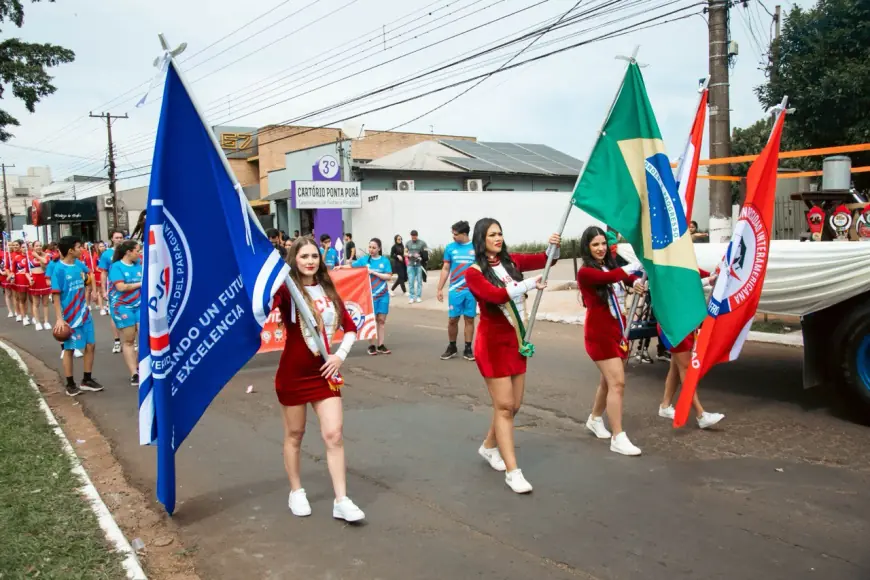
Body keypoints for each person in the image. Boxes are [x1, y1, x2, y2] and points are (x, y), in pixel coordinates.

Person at [271, 237, 365, 522]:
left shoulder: (327, 288)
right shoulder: (288, 291)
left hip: (325, 373)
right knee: (294, 435)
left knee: (334, 435)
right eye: (303, 257)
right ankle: (296, 491)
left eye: (314, 255)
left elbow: (350, 327)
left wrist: (340, 356)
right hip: (293, 374)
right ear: (294, 260)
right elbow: (264, 301)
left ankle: (341, 499)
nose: (310, 261)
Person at [464, 218, 560, 493]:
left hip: (516, 342)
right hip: (492, 345)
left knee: (513, 406)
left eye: (500, 233)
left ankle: (488, 446)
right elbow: (494, 296)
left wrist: (554, 246)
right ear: (480, 239)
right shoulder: (473, 272)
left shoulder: (512, 262)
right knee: (504, 406)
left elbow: (547, 259)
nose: (498, 238)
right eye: (492, 234)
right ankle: (513, 471)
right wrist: (528, 285)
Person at [577, 226, 645, 456]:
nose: (600, 248)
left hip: (618, 330)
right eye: (595, 244)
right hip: (599, 334)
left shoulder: (611, 265)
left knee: (608, 382)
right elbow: (608, 278)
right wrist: (634, 266)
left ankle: (595, 419)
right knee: (618, 383)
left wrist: (635, 281)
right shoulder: (586, 272)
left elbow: (622, 278)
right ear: (587, 247)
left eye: (603, 244)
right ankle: (618, 436)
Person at [656, 271, 725, 429]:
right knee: (686, 368)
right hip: (673, 323)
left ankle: (665, 406)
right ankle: (700, 414)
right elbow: (680, 287)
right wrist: (708, 280)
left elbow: (700, 273)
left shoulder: (686, 261)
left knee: (676, 366)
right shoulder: (665, 264)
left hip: (686, 322)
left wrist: (718, 271)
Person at [51, 236, 104, 397]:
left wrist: (94, 290)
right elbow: (56, 296)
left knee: (91, 345)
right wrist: (60, 319)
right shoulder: (58, 270)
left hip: (84, 312)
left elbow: (90, 276)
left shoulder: (79, 264)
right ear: (70, 250)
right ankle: (70, 383)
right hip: (69, 316)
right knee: (70, 349)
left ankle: (86, 379)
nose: (81, 249)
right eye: (79, 247)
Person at [436, 220, 476, 361]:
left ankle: (468, 348)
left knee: (469, 319)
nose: (453, 236)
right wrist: (439, 288)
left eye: (455, 234)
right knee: (453, 319)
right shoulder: (450, 248)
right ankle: (452, 346)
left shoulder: (476, 247)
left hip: (472, 291)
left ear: (464, 234)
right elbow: (446, 268)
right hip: (455, 290)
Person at [344, 238, 392, 355]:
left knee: (381, 320)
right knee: (372, 320)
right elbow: (351, 268)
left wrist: (374, 273)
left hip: (383, 295)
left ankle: (381, 345)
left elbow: (388, 276)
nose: (371, 250)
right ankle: (371, 345)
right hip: (370, 296)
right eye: (370, 247)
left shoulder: (384, 261)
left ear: (379, 249)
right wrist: (340, 267)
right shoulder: (364, 260)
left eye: (374, 248)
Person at [109, 241, 143, 386]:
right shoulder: (116, 267)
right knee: (129, 339)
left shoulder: (139, 264)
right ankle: (134, 373)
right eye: (136, 250)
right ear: (128, 252)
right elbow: (121, 287)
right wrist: (141, 283)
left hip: (140, 305)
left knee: (144, 337)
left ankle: (142, 367)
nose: (139, 253)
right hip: (122, 306)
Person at [99, 230, 125, 354]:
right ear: (112, 239)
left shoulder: (129, 251)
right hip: (113, 289)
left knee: (133, 314)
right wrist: (103, 290)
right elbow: (103, 273)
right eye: (117, 237)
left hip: (129, 288)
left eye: (121, 237)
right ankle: (117, 341)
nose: (119, 239)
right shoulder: (106, 254)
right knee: (114, 315)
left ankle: (132, 341)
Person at [27, 240, 51, 331]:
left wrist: (37, 256)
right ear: (33, 247)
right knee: (36, 303)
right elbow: (26, 271)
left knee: (45, 303)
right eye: (36, 246)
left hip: (44, 279)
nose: (39, 247)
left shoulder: (46, 255)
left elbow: (45, 262)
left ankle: (46, 321)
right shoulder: (29, 257)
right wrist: (29, 279)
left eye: (40, 245)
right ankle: (37, 322)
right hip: (35, 281)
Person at [405, 230, 428, 303]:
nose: (413, 237)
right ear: (411, 236)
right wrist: (410, 255)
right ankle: (411, 297)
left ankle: (418, 296)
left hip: (419, 265)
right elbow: (404, 253)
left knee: (419, 281)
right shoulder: (408, 243)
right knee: (411, 281)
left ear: (417, 235)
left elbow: (426, 253)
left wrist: (421, 257)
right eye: (412, 236)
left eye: (415, 236)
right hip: (410, 265)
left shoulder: (422, 243)